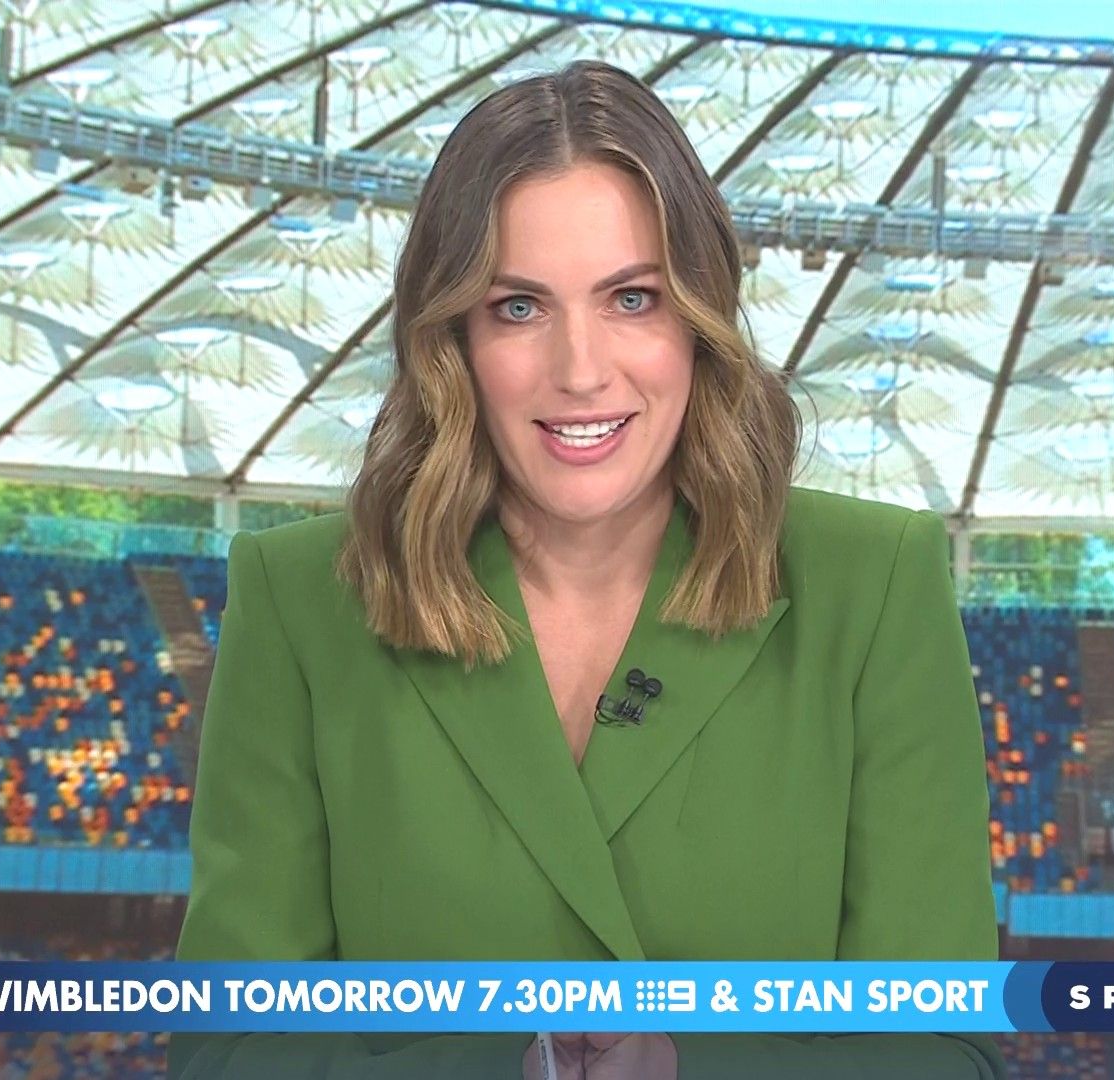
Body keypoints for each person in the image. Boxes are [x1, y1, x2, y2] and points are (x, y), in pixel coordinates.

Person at [169, 59, 1005, 1079]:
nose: (579, 371)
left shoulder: (875, 585)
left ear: (699, 318)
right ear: (453, 338)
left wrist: (688, 1070)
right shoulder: (300, 599)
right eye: (519, 307)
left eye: (632, 298)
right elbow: (229, 1047)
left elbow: (945, 1046)